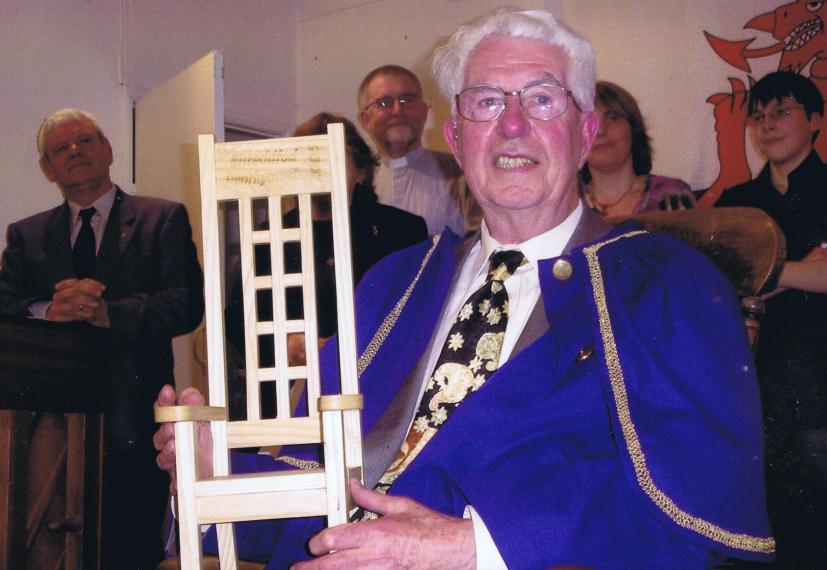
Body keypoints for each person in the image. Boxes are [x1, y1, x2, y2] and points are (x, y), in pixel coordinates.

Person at [156, 10, 773, 568]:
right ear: (455, 139)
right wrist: (214, 473)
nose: (512, 126)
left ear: (585, 134)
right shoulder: (395, 279)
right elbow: (312, 484)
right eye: (485, 103)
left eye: (542, 99)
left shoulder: (666, 283)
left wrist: (474, 546)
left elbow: (703, 503)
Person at [0, 108, 205, 568]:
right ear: (47, 168)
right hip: (46, 426)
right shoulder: (26, 234)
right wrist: (48, 311)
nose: (75, 151)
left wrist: (109, 313)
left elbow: (186, 303)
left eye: (85, 141)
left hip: (135, 416)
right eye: (60, 148)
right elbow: (5, 306)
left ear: (108, 149)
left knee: (131, 547)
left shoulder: (161, 217)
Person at [714, 71, 827, 568]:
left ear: (816, 120)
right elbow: (714, 283)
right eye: (758, 116)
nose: (767, 125)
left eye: (782, 112)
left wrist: (771, 273)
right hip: (750, 379)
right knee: (756, 525)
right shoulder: (736, 203)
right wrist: (812, 267)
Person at [224, 113, 427, 396]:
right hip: (292, 393)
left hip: (377, 389)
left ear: (361, 172)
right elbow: (237, 322)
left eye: (331, 158)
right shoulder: (269, 235)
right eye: (310, 161)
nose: (319, 170)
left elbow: (419, 317)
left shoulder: (402, 231)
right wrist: (285, 346)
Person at [357, 64, 480, 235]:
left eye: (407, 100)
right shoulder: (357, 182)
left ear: (424, 112)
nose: (397, 110)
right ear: (365, 119)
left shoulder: (462, 175)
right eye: (384, 103)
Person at [579, 80, 695, 218]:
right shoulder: (566, 204)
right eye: (590, 123)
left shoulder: (671, 195)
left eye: (613, 118)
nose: (601, 131)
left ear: (633, 128)